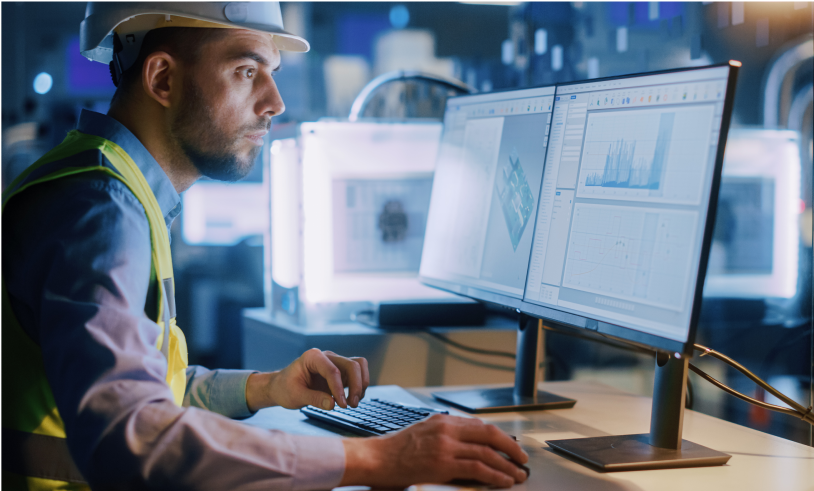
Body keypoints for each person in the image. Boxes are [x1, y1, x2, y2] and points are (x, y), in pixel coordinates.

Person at [0, 2, 528, 489]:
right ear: (162, 78)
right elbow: (131, 436)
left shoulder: (114, 189)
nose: (275, 103)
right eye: (246, 71)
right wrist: (379, 460)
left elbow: (145, 385)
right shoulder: (100, 209)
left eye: (271, 74)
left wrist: (266, 388)